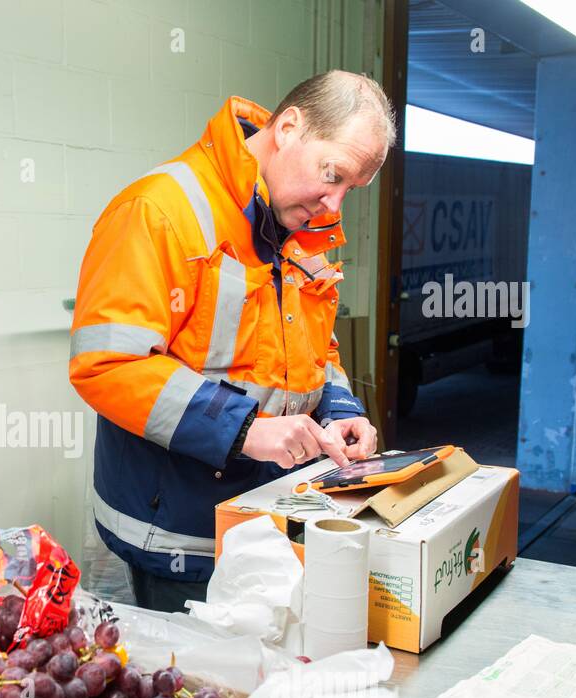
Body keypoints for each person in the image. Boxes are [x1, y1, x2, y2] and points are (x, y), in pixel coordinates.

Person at [69, 70, 396, 613]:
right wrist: (247, 429)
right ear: (289, 127)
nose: (334, 206)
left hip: (268, 524)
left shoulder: (300, 233)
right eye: (332, 174)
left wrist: (338, 409)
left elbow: (317, 354)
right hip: (180, 540)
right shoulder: (158, 211)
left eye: (349, 190)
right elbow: (108, 366)